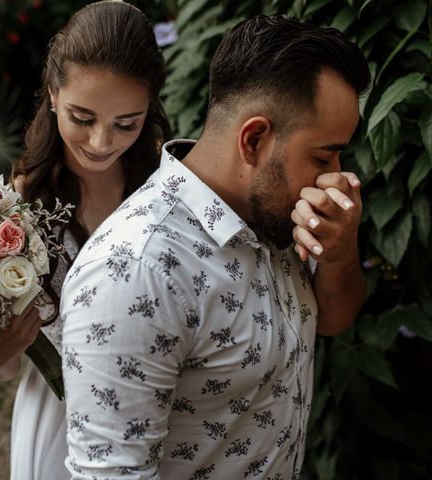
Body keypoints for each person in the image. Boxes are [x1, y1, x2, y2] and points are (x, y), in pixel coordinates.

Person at [60, 15, 371, 479]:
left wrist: (342, 255)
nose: (335, 176)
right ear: (255, 139)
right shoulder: (133, 273)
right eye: (323, 156)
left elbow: (331, 320)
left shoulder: (275, 214)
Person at [0, 2, 170, 479]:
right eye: (83, 117)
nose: (102, 142)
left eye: (127, 123)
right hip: (58, 422)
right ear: (53, 94)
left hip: (161, 415)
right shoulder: (16, 207)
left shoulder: (167, 187)